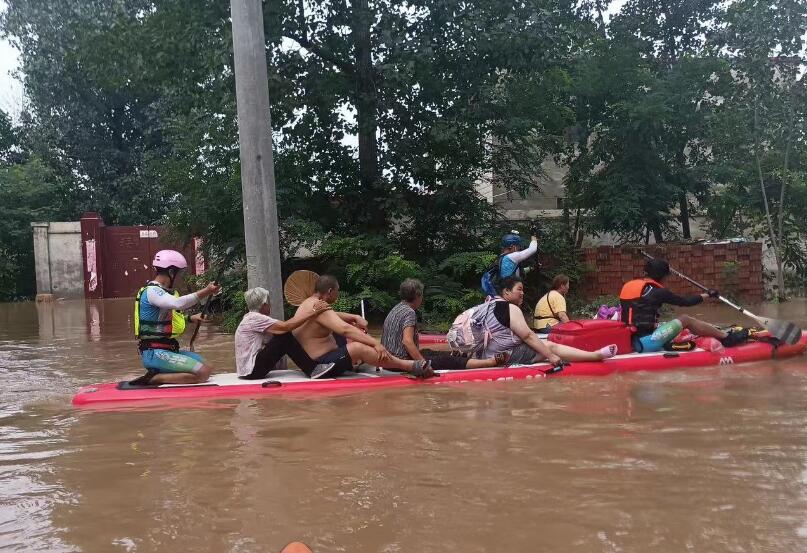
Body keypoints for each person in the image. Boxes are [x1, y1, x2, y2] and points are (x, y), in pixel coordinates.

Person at [292, 275, 434, 379]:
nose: (338, 294)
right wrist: (375, 344)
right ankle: (409, 365)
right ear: (330, 291)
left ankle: (355, 362)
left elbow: (332, 316)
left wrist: (354, 317)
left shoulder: (311, 304)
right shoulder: (318, 306)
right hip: (321, 365)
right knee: (358, 347)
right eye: (337, 290)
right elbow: (345, 329)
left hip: (320, 359)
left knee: (354, 338)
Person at [478, 276, 617, 365]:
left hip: (487, 353)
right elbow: (561, 318)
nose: (523, 293)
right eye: (519, 289)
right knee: (550, 346)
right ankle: (594, 355)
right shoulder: (510, 307)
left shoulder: (488, 304)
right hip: (503, 354)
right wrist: (551, 356)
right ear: (506, 292)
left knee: (542, 344)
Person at [131, 249, 221, 386]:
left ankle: (165, 373)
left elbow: (166, 321)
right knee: (202, 372)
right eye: (177, 274)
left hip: (169, 349)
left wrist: (190, 318)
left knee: (208, 367)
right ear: (171, 272)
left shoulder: (164, 293)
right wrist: (207, 291)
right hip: (154, 352)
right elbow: (178, 303)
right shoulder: (152, 291)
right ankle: (155, 378)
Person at [620, 258, 749, 352]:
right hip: (646, 343)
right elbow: (686, 302)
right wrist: (708, 295)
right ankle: (727, 337)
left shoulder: (629, 286)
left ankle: (717, 332)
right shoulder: (658, 292)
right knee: (686, 319)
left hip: (629, 340)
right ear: (662, 276)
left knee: (668, 323)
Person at [381, 278, 509, 370]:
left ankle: (459, 355)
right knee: (448, 361)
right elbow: (407, 342)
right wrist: (423, 365)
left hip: (389, 361)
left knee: (429, 351)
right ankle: (490, 362)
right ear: (418, 296)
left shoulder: (396, 308)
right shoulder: (409, 312)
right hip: (400, 363)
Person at [235, 287, 337, 379]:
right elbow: (285, 327)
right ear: (264, 305)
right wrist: (313, 311)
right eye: (269, 302)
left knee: (281, 335)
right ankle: (312, 369)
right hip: (252, 371)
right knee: (284, 336)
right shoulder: (256, 318)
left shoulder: (250, 318)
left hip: (247, 371)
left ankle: (310, 366)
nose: (270, 305)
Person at [481, 232, 539, 296]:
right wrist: (534, 239)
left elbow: (514, 273)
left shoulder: (502, 258)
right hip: (509, 292)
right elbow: (532, 249)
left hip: (503, 291)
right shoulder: (512, 257)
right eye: (518, 246)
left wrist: (530, 268)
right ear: (513, 246)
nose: (519, 249)